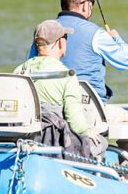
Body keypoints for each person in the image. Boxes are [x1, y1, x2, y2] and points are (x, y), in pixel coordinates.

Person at [27, 0, 128, 164]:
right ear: (84, 5)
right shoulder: (96, 34)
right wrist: (116, 39)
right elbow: (127, 61)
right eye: (92, 3)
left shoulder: (44, 35)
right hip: (88, 112)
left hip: (50, 113)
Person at [14, 19, 106, 158]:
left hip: (23, 138)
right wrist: (89, 132)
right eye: (65, 38)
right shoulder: (66, 76)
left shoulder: (19, 71)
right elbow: (75, 123)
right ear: (60, 43)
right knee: (101, 143)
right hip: (52, 140)